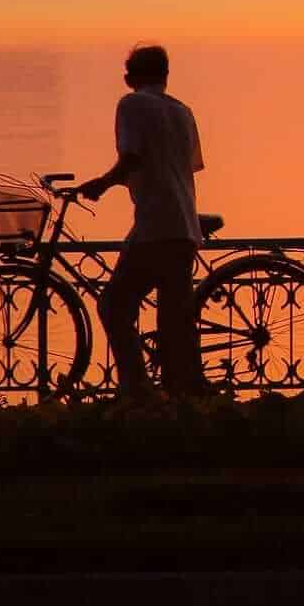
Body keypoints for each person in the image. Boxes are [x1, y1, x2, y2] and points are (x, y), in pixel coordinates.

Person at [78, 44, 207, 399]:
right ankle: (185, 394)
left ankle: (136, 387)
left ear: (132, 76)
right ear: (165, 74)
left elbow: (133, 158)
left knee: (114, 306)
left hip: (155, 226)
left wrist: (101, 184)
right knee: (174, 321)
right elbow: (186, 165)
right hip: (184, 226)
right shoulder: (182, 111)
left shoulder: (132, 104)